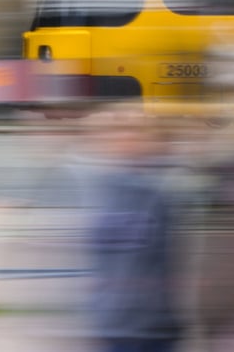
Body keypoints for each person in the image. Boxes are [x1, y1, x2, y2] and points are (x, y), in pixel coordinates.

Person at [84, 106, 183, 352]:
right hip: (111, 326)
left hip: (151, 328)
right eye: (117, 129)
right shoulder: (92, 190)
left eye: (135, 130)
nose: (125, 136)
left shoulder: (163, 191)